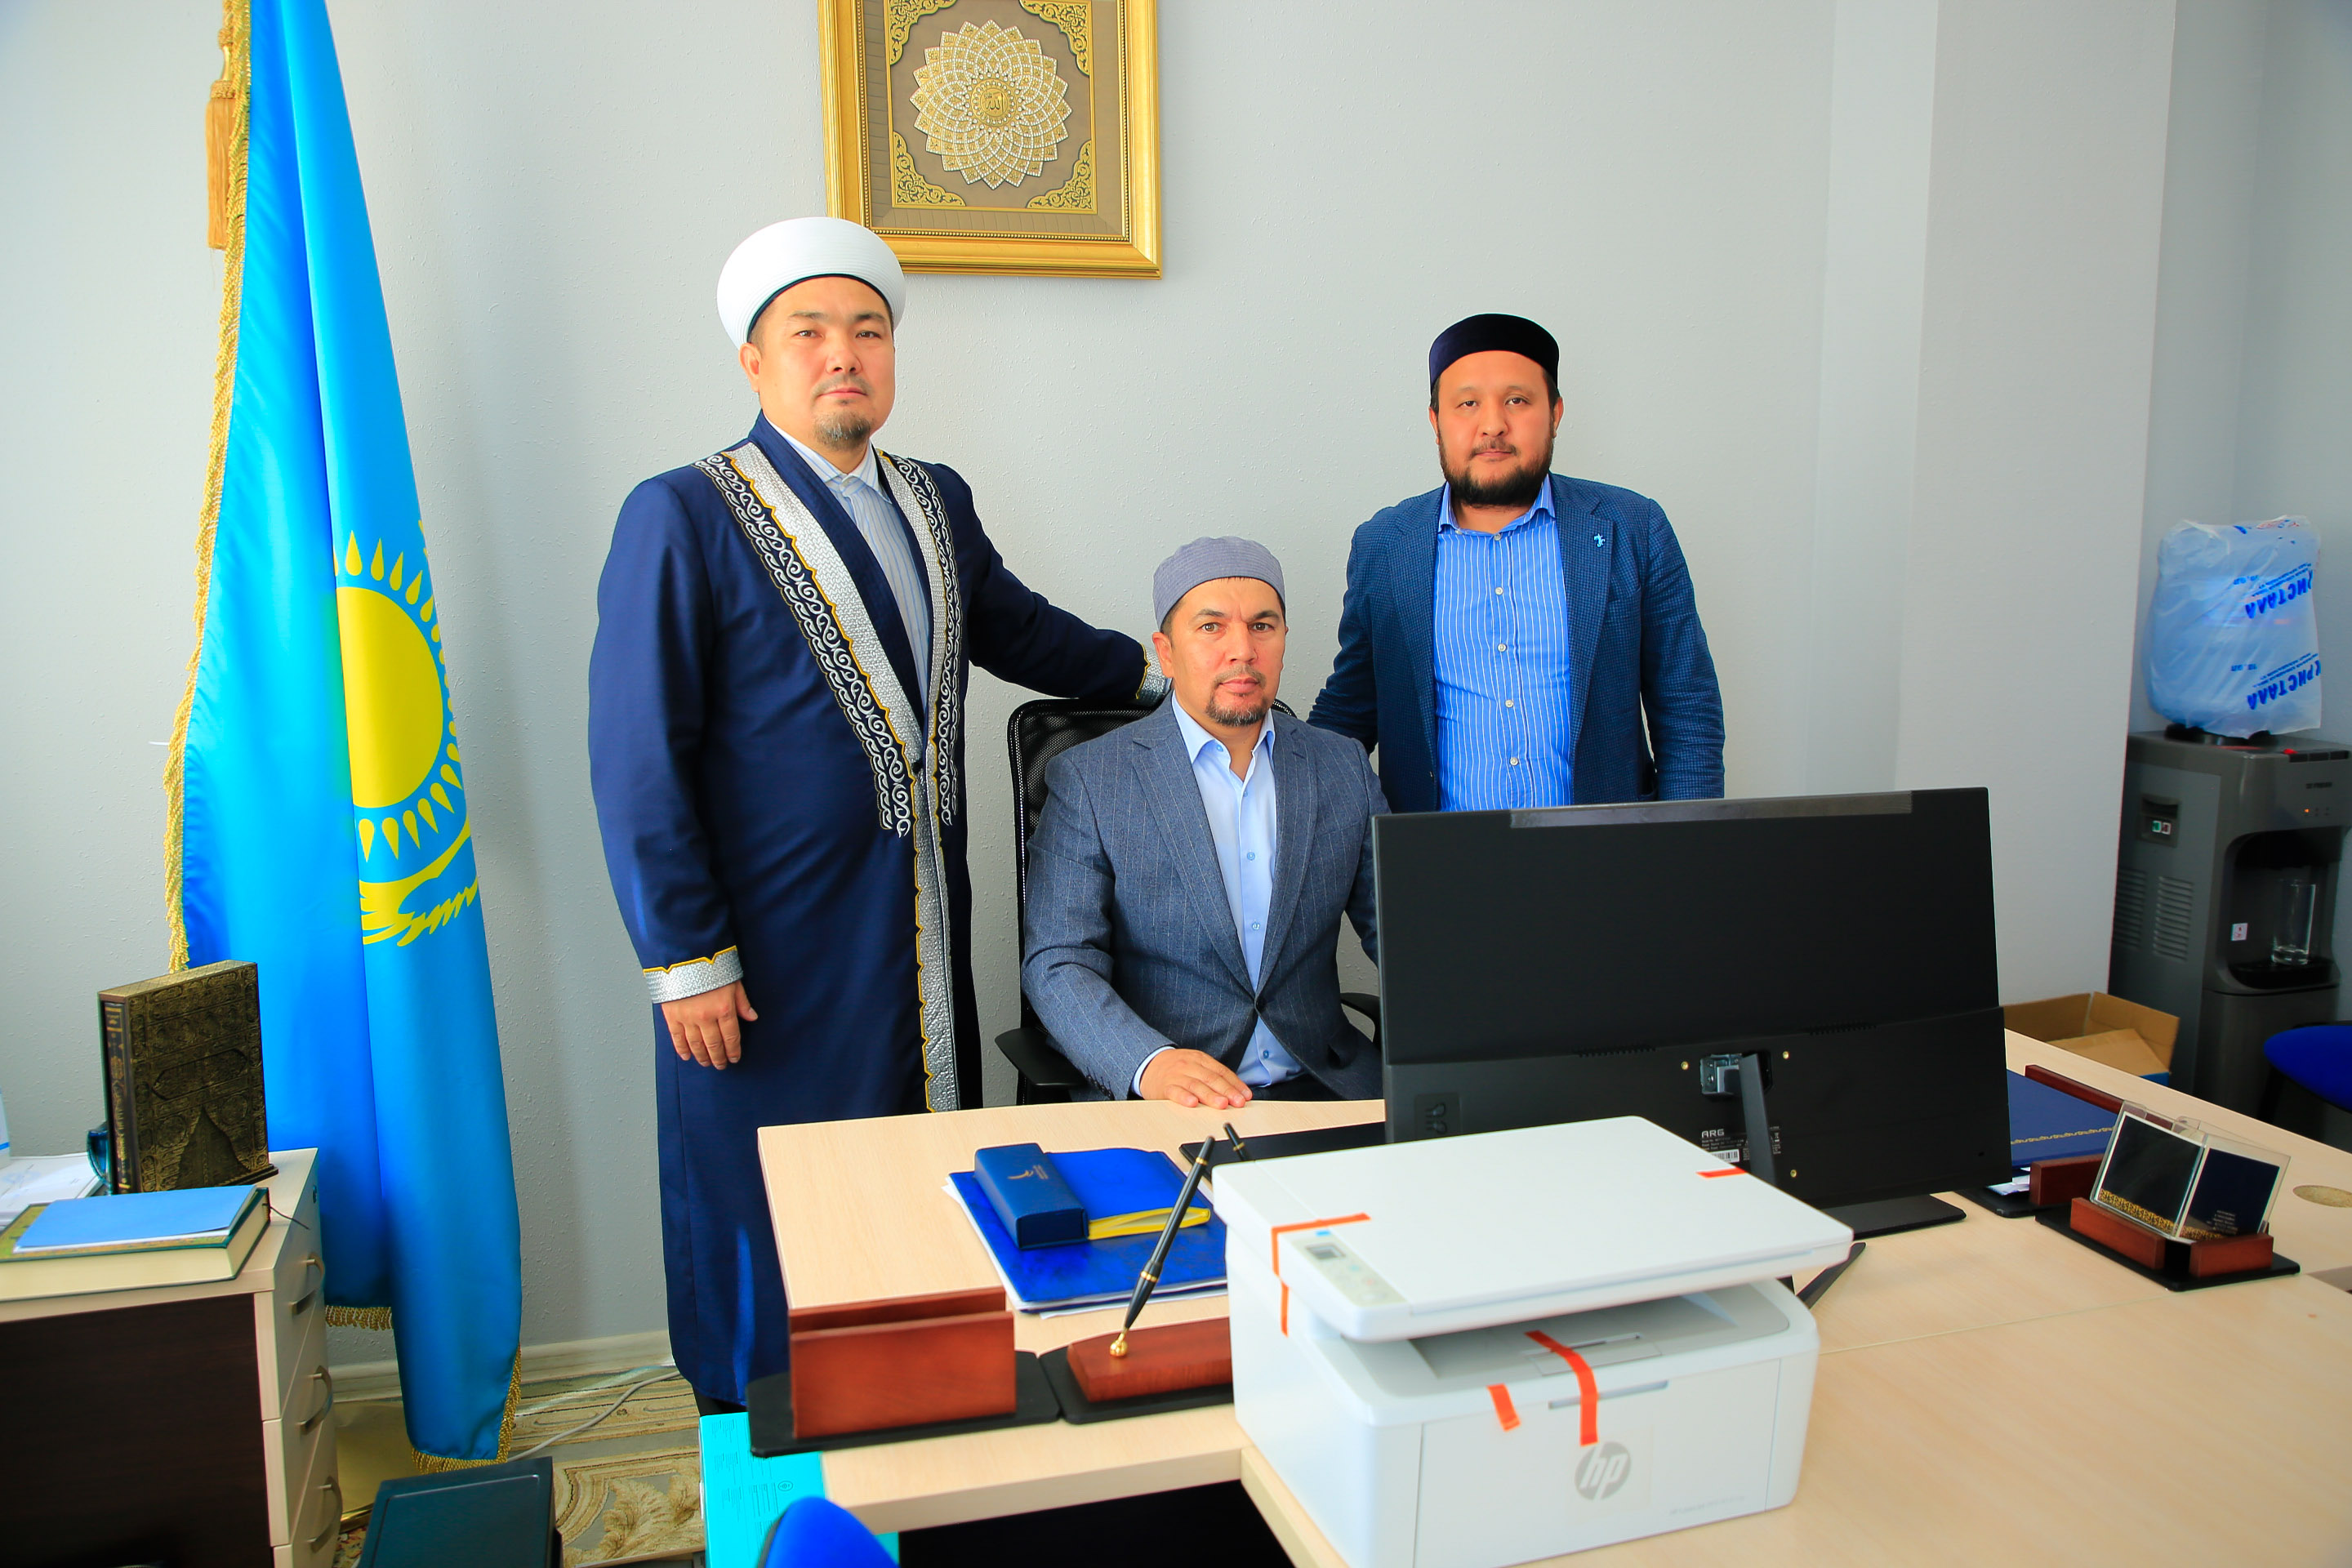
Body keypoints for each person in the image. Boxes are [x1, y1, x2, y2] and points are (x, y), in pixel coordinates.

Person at [588, 217, 1159, 1411]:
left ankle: (923, 1422)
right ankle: (767, 1456)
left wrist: (1158, 676)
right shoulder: (682, 513)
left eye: (867, 330)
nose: (842, 354)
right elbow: (639, 754)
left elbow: (1019, 630)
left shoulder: (935, 499)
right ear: (754, 361)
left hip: (918, 931)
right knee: (769, 1207)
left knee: (922, 1179)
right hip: (763, 954)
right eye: (809, 333)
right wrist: (686, 959)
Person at [1022, 537, 1387, 1106]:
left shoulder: (1341, 765)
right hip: (1169, 1106)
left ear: (1283, 641)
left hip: (1325, 1089)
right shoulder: (1093, 780)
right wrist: (1148, 1064)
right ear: (1166, 653)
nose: (1242, 650)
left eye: (1262, 626)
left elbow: (1401, 929)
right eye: (1212, 627)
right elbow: (1058, 961)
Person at [1310, 313, 1724, 810]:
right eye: (1468, 404)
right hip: (1438, 853)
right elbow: (1350, 713)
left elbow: (1687, 711)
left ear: (1555, 413)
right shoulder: (1386, 546)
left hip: (1606, 850)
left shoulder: (1633, 527)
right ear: (1436, 422)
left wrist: (1685, 842)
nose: (1493, 425)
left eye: (1517, 401)